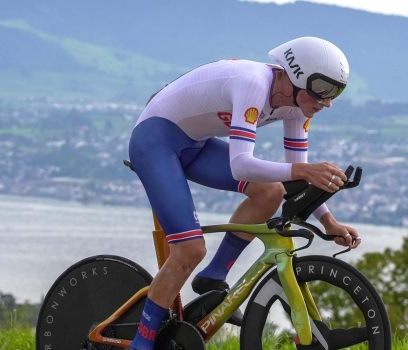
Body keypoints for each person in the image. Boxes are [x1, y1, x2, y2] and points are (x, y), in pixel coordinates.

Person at [127, 36, 362, 350]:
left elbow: (299, 177)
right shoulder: (253, 83)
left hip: (195, 144)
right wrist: (305, 172)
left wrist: (329, 222)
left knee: (271, 193)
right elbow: (241, 165)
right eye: (324, 90)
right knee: (189, 250)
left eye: (336, 92)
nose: (328, 101)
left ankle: (213, 277)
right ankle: (141, 344)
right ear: (297, 76)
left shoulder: (298, 107)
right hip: (156, 142)